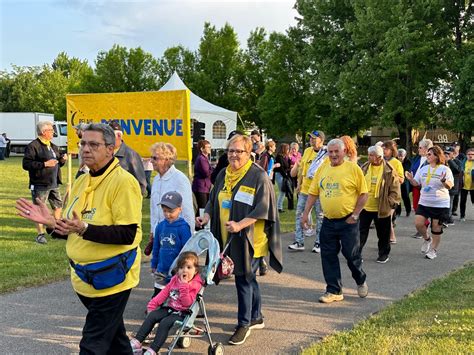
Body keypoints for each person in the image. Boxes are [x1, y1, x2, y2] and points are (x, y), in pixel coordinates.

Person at [16, 123, 142, 353]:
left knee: (92, 344)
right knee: (115, 341)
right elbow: (70, 228)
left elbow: (127, 234)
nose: (86, 149)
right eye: (83, 143)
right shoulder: (82, 180)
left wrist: (85, 228)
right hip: (85, 278)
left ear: (110, 149)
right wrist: (51, 224)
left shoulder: (124, 183)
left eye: (94, 144)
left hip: (113, 278)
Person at [196, 134, 283, 346]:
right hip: (227, 236)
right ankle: (257, 316)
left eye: (239, 151)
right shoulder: (224, 174)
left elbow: (264, 208)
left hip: (250, 238)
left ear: (249, 152)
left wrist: (240, 224)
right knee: (249, 278)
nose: (234, 155)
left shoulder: (258, 176)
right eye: (231, 151)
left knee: (243, 277)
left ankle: (244, 324)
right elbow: (213, 198)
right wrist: (207, 215)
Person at [302, 138, 368, 303]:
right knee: (328, 255)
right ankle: (334, 290)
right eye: (330, 152)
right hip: (329, 221)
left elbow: (364, 193)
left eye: (336, 151)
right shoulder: (323, 167)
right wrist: (305, 213)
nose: (333, 155)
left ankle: (360, 279)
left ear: (344, 152)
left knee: (351, 254)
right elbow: (313, 192)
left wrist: (355, 214)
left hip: (348, 222)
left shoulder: (353, 169)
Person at [130, 252, 203, 355]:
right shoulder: (175, 280)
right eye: (182, 267)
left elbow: (187, 303)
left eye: (189, 267)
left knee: (165, 322)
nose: (185, 270)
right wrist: (152, 304)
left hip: (183, 313)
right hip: (171, 308)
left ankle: (153, 350)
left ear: (195, 271)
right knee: (153, 315)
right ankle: (137, 342)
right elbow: (164, 293)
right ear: (178, 270)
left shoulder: (195, 285)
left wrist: (184, 286)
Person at [22, 121, 67, 244]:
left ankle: (56, 230)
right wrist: (44, 164)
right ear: (43, 132)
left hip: (53, 183)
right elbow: (26, 164)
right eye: (51, 130)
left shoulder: (52, 146)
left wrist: (62, 160)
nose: (53, 132)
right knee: (40, 209)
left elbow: (57, 163)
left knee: (58, 206)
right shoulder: (33, 146)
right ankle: (40, 235)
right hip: (40, 184)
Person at [145, 143, 194, 256]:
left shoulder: (180, 179)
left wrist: (188, 243)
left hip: (176, 234)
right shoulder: (156, 179)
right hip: (160, 234)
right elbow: (154, 209)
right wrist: (153, 231)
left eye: (155, 158)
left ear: (166, 159)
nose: (151, 161)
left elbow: (187, 212)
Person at [405, 146, 454, 260]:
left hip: (440, 203)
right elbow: (416, 183)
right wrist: (411, 179)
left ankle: (433, 250)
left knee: (436, 228)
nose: (427, 156)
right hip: (425, 201)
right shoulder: (423, 168)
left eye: (429, 154)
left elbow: (450, 185)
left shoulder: (444, 169)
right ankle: (427, 239)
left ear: (437, 156)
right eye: (427, 154)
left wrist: (443, 181)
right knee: (418, 223)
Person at [359, 146, 401, 263]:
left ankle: (383, 254)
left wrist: (389, 202)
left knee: (383, 233)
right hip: (365, 206)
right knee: (360, 233)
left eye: (371, 155)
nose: (369, 157)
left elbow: (395, 190)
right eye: (369, 154)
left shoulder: (389, 170)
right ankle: (357, 254)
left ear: (379, 157)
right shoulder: (365, 167)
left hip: (382, 207)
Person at [288, 130, 327, 253]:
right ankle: (299, 241)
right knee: (299, 214)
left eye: (314, 138)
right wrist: (299, 184)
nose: (311, 140)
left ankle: (319, 243)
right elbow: (303, 169)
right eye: (310, 138)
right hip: (305, 190)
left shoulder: (325, 154)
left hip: (318, 191)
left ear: (321, 140)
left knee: (320, 217)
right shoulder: (307, 151)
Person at [151, 191, 192, 297]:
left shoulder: (183, 227)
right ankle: (155, 309)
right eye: (164, 211)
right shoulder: (160, 226)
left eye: (171, 211)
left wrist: (186, 268)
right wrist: (154, 264)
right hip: (162, 268)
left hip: (177, 270)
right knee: (158, 295)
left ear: (180, 209)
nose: (167, 214)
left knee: (175, 296)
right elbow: (156, 247)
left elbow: (187, 250)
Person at [109, 120, 147, 195]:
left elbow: (141, 184)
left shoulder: (131, 155)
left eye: (109, 136)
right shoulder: (105, 153)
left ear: (119, 136)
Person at [409, 138, 433, 238]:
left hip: (424, 188)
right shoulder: (418, 158)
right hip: (415, 186)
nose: (418, 149)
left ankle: (424, 227)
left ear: (427, 149)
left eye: (420, 147)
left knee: (421, 208)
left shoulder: (429, 161)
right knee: (415, 207)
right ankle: (423, 227)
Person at [382, 140, 404, 244]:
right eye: (383, 148)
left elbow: (401, 179)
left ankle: (392, 236)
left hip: (392, 194)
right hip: (382, 193)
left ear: (392, 150)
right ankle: (386, 237)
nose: (384, 151)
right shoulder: (380, 161)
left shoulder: (396, 162)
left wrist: (392, 173)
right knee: (384, 218)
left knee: (388, 217)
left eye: (386, 149)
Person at [192, 139, 213, 217]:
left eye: (210, 147)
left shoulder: (204, 158)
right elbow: (206, 173)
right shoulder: (201, 159)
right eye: (208, 147)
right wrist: (213, 170)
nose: (210, 149)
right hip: (201, 187)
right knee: (202, 208)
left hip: (204, 187)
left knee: (203, 208)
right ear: (202, 149)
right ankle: (198, 226)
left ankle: (199, 225)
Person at [444, 146, 462, 225]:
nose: (446, 155)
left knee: (449, 202)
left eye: (448, 153)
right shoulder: (442, 162)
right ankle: (448, 218)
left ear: (453, 154)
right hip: (443, 185)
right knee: (444, 202)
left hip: (452, 185)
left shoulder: (457, 161)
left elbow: (458, 170)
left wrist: (450, 161)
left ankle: (448, 218)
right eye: (445, 153)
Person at [274, 143, 294, 211]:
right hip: (280, 174)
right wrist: (286, 176)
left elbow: (288, 165)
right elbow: (281, 168)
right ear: (284, 149)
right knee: (282, 191)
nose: (288, 150)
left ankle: (279, 207)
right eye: (287, 149)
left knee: (283, 191)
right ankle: (278, 207)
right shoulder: (279, 157)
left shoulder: (284, 156)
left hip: (283, 174)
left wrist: (289, 158)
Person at [396, 148, 412, 217]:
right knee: (398, 196)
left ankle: (408, 210)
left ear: (405, 155)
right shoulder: (396, 161)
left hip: (405, 181)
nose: (400, 157)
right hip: (397, 181)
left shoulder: (408, 162)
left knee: (405, 196)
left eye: (401, 156)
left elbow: (406, 171)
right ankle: (398, 212)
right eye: (399, 156)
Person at [460, 147, 474, 221]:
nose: (470, 155)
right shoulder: (463, 162)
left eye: (472, 154)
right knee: (462, 201)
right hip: (464, 185)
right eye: (469, 154)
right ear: (466, 155)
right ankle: (462, 216)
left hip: (473, 186)